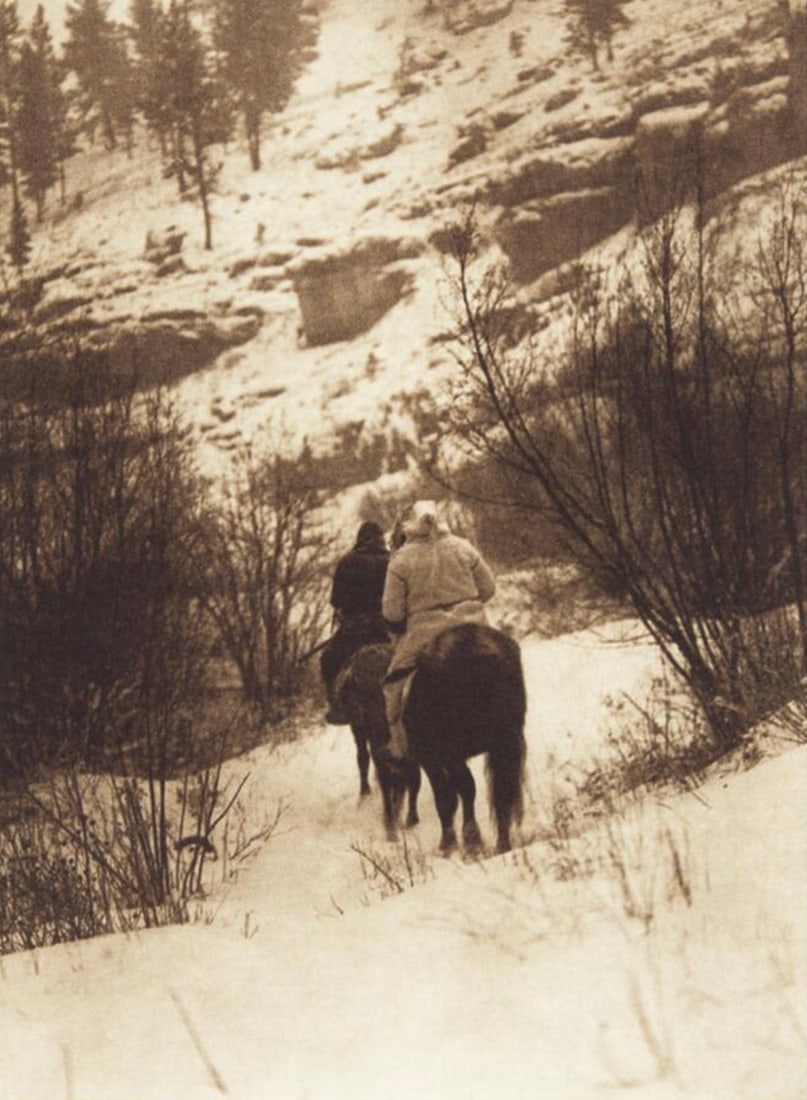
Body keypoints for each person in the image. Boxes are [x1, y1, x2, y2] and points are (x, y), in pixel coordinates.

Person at [380, 500, 496, 759]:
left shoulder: (400, 561)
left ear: (407, 527)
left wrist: (409, 619)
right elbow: (489, 588)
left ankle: (399, 747)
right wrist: (468, 602)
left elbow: (392, 613)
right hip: (474, 625)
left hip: (424, 633)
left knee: (393, 685)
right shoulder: (463, 547)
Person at [321, 521, 390, 724]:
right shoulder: (392, 560)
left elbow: (337, 601)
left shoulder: (347, 562)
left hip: (356, 630)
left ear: (360, 539)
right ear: (381, 540)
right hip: (386, 629)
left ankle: (337, 707)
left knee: (328, 660)